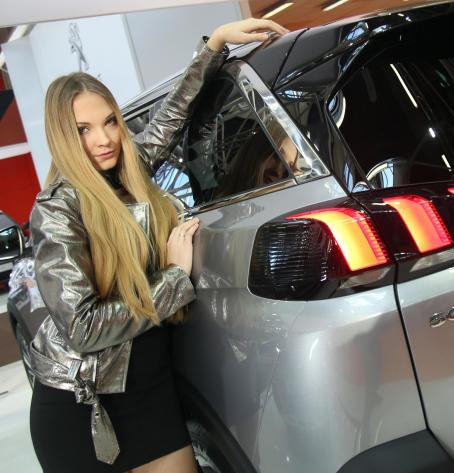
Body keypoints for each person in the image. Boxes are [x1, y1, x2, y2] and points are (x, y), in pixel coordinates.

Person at [27, 18, 288, 473]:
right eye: (84, 129)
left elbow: (169, 120)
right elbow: (83, 328)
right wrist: (172, 278)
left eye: (110, 122)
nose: (104, 139)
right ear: (64, 137)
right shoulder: (57, 209)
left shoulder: (127, 173)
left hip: (150, 389)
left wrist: (214, 45)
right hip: (84, 404)